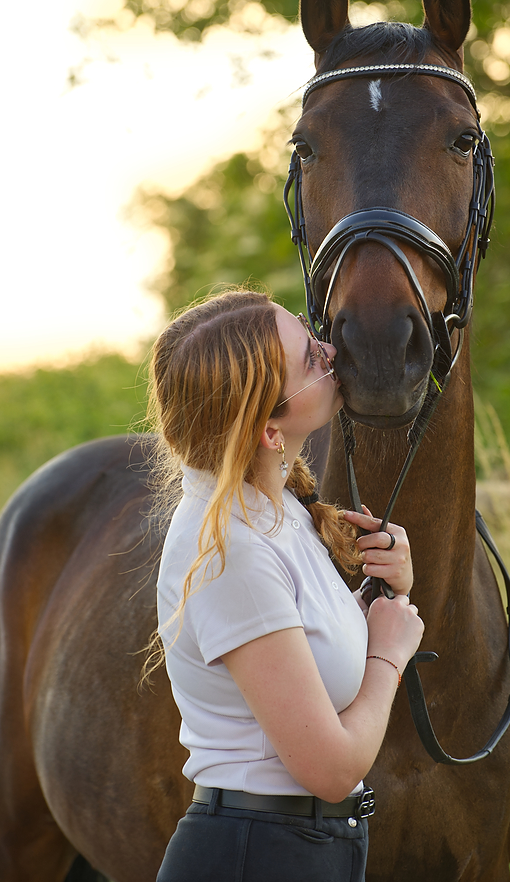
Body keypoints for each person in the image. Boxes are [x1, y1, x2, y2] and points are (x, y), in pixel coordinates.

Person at [151, 288, 424, 882]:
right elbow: (328, 769)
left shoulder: (272, 510)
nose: (333, 350)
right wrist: (388, 656)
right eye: (312, 359)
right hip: (262, 856)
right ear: (270, 428)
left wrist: (385, 591)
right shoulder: (232, 551)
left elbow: (305, 653)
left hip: (295, 846)